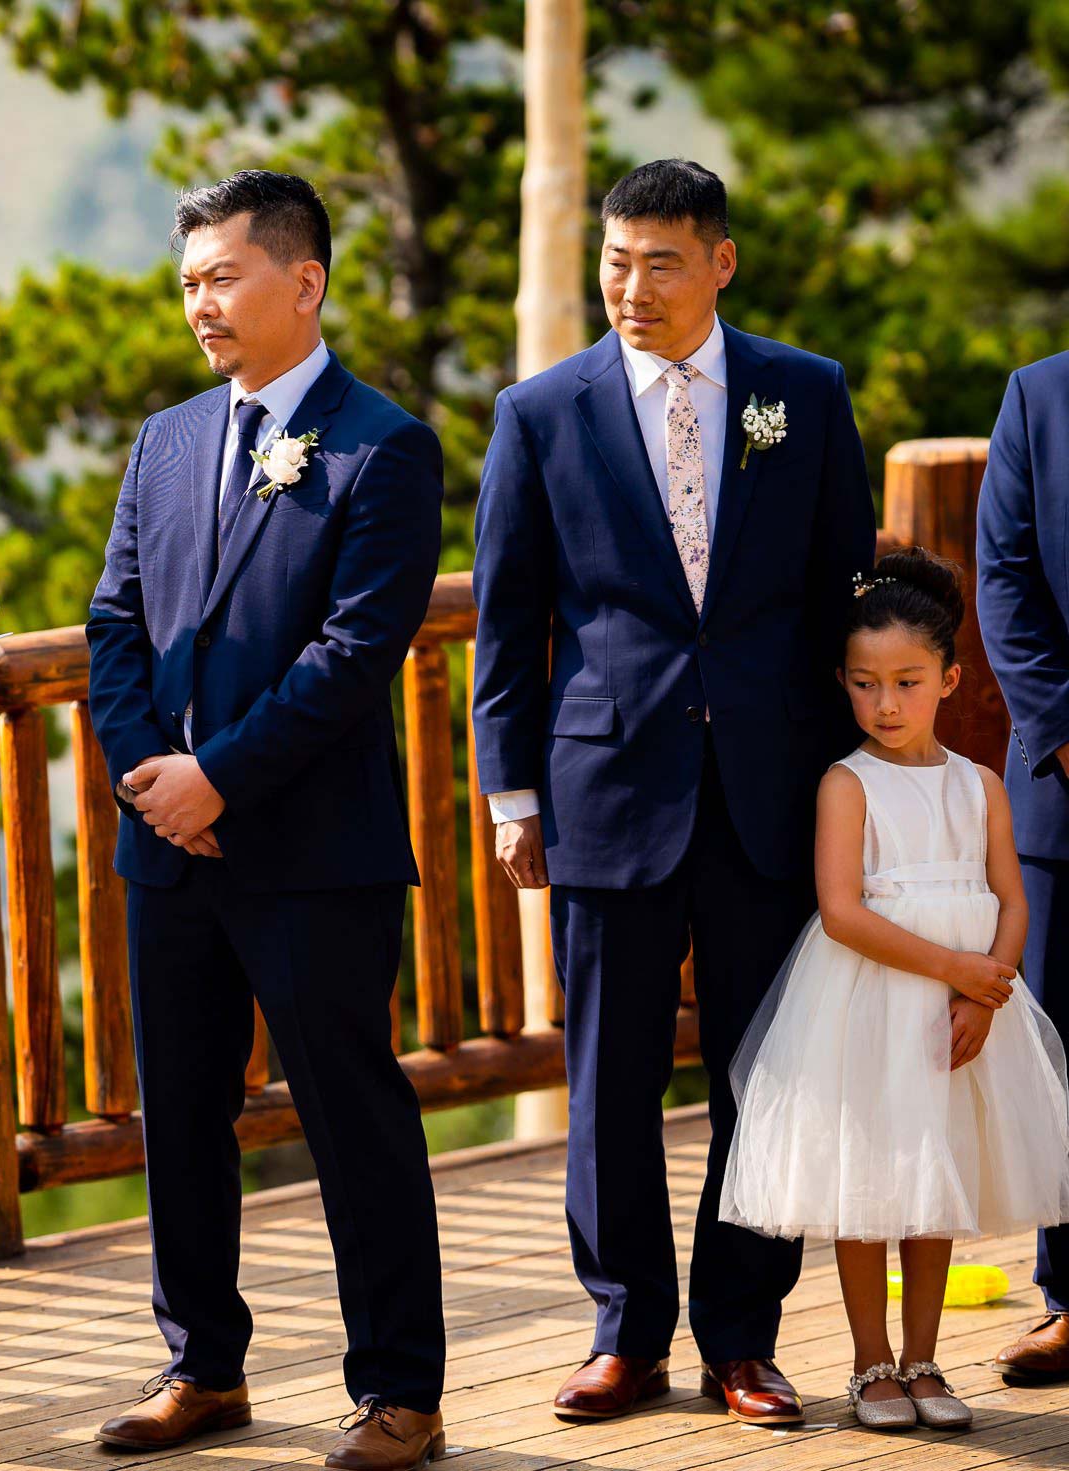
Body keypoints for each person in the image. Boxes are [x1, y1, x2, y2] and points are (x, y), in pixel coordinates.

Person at [472, 158, 877, 1425]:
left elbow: (839, 595)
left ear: (719, 263)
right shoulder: (539, 413)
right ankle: (624, 1332)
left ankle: (741, 1338)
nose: (629, 286)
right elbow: (507, 621)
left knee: (769, 1073)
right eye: (613, 259)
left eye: (657, 260)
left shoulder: (801, 396)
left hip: (772, 789)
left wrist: (855, 781)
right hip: (605, 787)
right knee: (609, 1078)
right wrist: (510, 795)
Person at [83, 169, 446, 1469]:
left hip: (312, 847)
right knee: (177, 1111)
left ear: (305, 280)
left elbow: (354, 654)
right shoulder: (166, 439)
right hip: (165, 844)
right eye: (188, 281)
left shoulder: (383, 446)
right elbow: (113, 623)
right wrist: (150, 777)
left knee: (350, 1107)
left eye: (223, 277)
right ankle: (202, 1366)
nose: (200, 305)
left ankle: (402, 1383)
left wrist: (218, 776)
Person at [719, 548, 1069, 1429]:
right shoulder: (847, 784)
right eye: (866, 683)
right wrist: (958, 971)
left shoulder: (981, 785)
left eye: (907, 681)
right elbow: (842, 913)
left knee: (932, 1177)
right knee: (870, 1183)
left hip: (961, 1015)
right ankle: (869, 1364)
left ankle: (924, 1360)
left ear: (950, 678)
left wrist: (983, 996)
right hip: (869, 1008)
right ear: (842, 680)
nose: (885, 703)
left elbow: (1012, 901)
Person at [977, 350, 1069, 1382]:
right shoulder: (1036, 395)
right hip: (1062, 786)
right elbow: (1002, 579)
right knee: (1062, 1059)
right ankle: (1067, 1297)